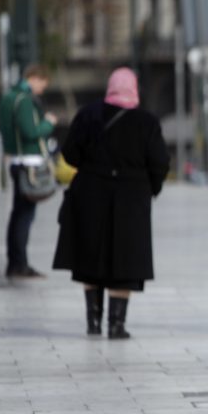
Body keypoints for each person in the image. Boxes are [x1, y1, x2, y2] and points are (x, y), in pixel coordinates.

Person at [52, 67, 170, 339]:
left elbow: (70, 153)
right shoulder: (146, 122)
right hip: (131, 199)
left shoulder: (88, 115)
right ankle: (116, 325)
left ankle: (93, 321)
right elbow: (160, 162)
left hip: (90, 194)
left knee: (90, 259)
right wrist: (150, 188)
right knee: (125, 261)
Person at [0, 64, 56, 278]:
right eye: (42, 84)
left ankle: (15, 261)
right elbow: (30, 132)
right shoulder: (24, 100)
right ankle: (19, 264)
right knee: (24, 216)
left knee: (17, 214)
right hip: (28, 163)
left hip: (15, 160)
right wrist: (48, 124)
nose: (41, 90)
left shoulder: (8, 98)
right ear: (34, 78)